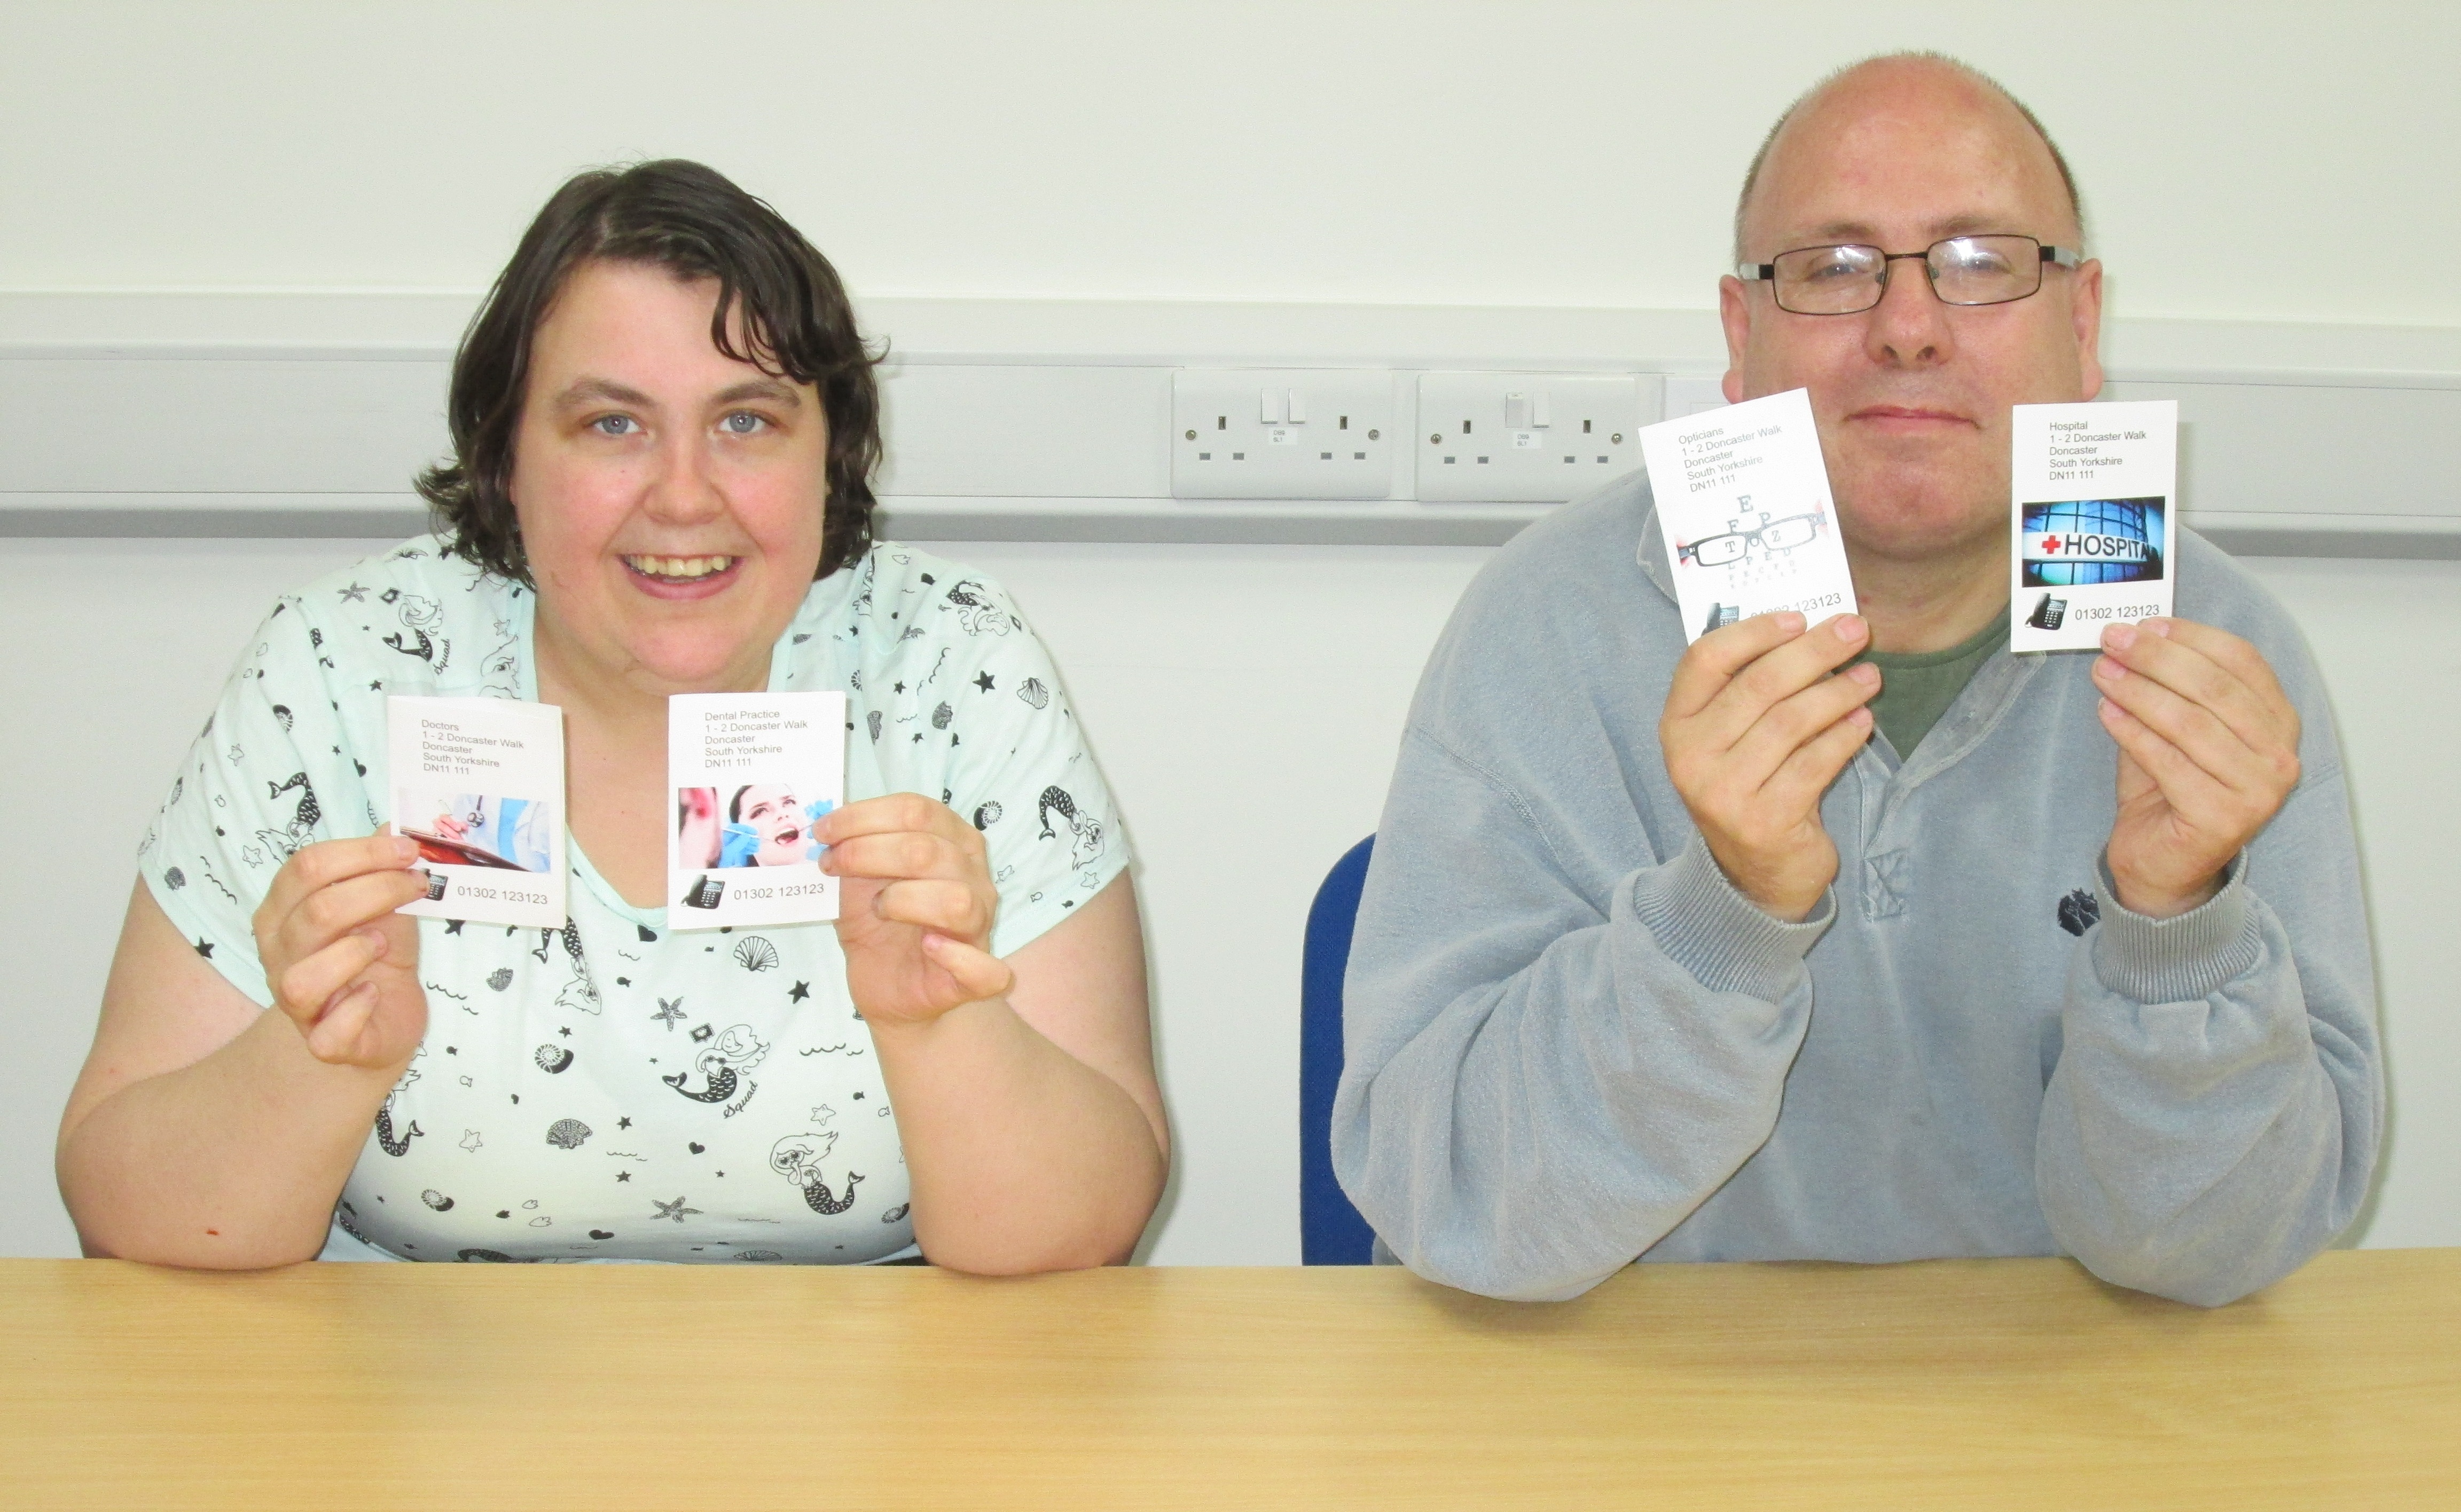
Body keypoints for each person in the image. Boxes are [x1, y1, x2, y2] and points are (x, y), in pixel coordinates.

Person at [1331, 54, 2381, 1306]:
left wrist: (2174, 924)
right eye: (1832, 268)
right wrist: (1724, 915)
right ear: (1741, 337)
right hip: (1632, 1420)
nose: (1908, 324)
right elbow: (1450, 1205)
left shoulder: (2212, 651)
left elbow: (2222, 1258)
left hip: (2073, 1423)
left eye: (1984, 261)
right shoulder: (1544, 628)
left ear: (2084, 325)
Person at [57, 160, 1167, 1272]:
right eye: (611, 426)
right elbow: (130, 1218)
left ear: (830, 457)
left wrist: (941, 1025)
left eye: (746, 419)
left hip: (866, 1404)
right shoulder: (346, 664)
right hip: (411, 1404)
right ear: (504, 457)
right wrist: (316, 1058)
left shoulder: (947, 657)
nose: (684, 496)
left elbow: (1083, 1237)